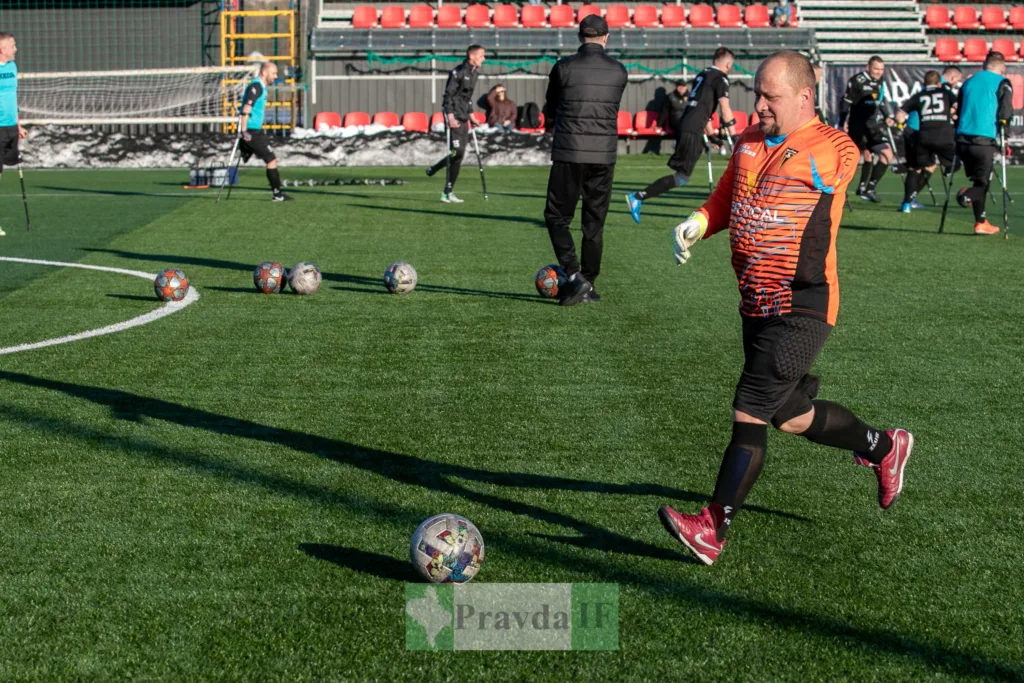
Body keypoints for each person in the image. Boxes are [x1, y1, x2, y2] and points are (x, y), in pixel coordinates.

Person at [658, 50, 913, 566]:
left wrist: (822, 172)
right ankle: (884, 447)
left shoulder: (833, 148)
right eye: (756, 95)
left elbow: (845, 163)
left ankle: (712, 527)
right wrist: (698, 222)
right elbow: (727, 200)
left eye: (770, 97)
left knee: (750, 404)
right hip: (755, 299)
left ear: (804, 96)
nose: (759, 107)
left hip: (804, 301)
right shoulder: (750, 141)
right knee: (790, 415)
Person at [541, 15, 627, 306]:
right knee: (594, 222)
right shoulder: (619, 71)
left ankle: (574, 275)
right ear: (606, 37)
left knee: (556, 217)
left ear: (579, 37)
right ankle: (589, 283)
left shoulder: (563, 67)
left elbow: (551, 107)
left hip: (569, 152)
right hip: (603, 154)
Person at [625, 47, 737, 224]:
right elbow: (725, 109)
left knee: (682, 177)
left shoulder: (703, 74)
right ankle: (637, 197)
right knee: (682, 178)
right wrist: (735, 136)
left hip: (689, 126)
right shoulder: (721, 78)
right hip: (692, 129)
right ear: (728, 64)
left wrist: (711, 134)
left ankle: (638, 197)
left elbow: (703, 109)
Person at [955, 51, 1013, 235]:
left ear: (984, 64)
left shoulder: (968, 82)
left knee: (978, 181)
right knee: (982, 185)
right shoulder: (1002, 82)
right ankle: (966, 196)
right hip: (983, 140)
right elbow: (1005, 114)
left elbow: (959, 108)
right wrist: (1005, 140)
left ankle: (980, 222)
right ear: (1002, 67)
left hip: (963, 140)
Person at [426, 45, 486, 203]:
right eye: (481, 56)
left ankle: (448, 191)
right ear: (472, 56)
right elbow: (448, 96)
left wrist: (472, 116)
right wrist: (450, 117)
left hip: (464, 117)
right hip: (454, 117)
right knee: (456, 152)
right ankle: (436, 167)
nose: (483, 59)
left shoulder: (474, 75)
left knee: (458, 157)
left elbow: (468, 98)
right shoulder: (458, 72)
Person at [894, 70, 956, 213]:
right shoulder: (946, 93)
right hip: (942, 135)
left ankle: (907, 203)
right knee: (939, 164)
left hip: (922, 136)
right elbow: (958, 109)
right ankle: (949, 169)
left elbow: (899, 115)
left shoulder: (919, 95)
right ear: (939, 83)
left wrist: (903, 127)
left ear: (923, 83)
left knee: (915, 167)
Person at [838, 56, 895, 203]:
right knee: (854, 158)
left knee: (887, 153)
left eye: (881, 69)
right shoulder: (857, 80)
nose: (879, 72)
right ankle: (839, 188)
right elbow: (846, 103)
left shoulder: (880, 81)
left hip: (873, 127)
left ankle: (869, 187)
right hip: (858, 125)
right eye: (876, 69)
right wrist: (842, 123)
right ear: (868, 67)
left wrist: (887, 115)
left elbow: (879, 101)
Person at [238, 62, 291, 202]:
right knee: (271, 159)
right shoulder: (256, 86)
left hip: (256, 130)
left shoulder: (261, 87)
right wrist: (243, 131)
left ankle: (245, 149)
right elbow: (246, 108)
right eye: (273, 73)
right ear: (264, 72)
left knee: (270, 158)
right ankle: (277, 194)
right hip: (251, 131)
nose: (275, 76)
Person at [0, 32, 28, 237]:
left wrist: (18, 126)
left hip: (10, 127)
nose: (15, 48)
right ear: (2, 48)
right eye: (12, 45)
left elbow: (12, 98)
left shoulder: (12, 67)